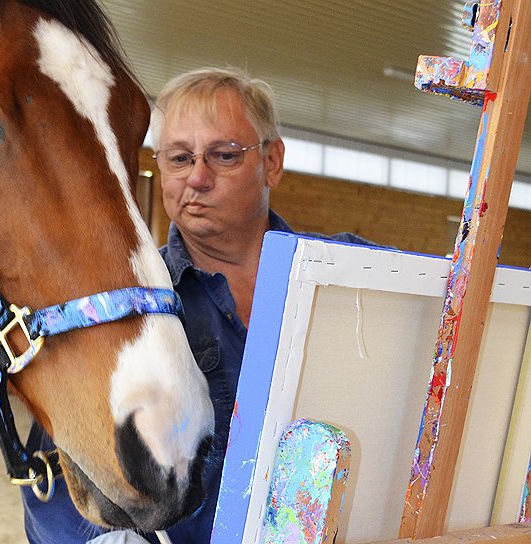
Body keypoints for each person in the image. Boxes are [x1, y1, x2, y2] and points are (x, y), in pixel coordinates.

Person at [20, 67, 380, 543]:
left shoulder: (353, 270)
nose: (197, 177)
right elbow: (55, 495)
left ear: (272, 162)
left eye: (224, 155)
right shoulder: (124, 310)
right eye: (179, 158)